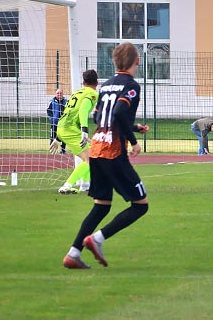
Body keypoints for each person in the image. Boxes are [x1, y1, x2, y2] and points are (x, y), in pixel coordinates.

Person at [63, 42, 150, 269]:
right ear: (137, 61)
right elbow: (119, 112)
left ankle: (73, 253)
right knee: (140, 205)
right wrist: (133, 141)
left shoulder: (106, 86)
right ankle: (97, 239)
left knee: (101, 205)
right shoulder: (131, 86)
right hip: (114, 152)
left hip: (97, 149)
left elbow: (99, 117)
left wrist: (133, 126)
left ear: (114, 62)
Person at [53, 70, 99, 194]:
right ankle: (66, 186)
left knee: (89, 156)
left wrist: (58, 137)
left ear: (83, 82)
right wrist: (84, 129)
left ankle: (85, 185)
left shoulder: (77, 92)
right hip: (70, 129)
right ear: (97, 82)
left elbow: (68, 112)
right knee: (91, 158)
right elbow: (83, 110)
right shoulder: (92, 93)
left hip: (62, 127)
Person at [47, 89, 67, 155]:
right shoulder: (52, 101)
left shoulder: (66, 102)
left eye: (60, 93)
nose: (59, 94)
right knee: (53, 135)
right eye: (58, 93)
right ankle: (52, 150)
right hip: (54, 122)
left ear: (63, 94)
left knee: (63, 136)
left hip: (64, 123)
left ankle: (63, 150)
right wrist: (52, 119)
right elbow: (49, 111)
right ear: (55, 94)